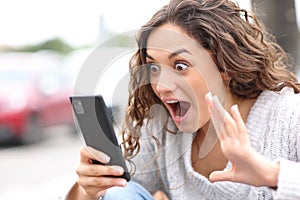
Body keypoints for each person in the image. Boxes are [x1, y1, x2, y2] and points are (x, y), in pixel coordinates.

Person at [66, 0, 300, 199]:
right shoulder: (163, 127)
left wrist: (271, 175)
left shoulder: (290, 116)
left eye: (180, 66)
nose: (160, 85)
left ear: (224, 66)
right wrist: (89, 189)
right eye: (154, 68)